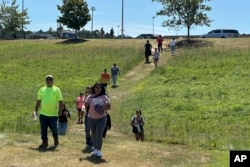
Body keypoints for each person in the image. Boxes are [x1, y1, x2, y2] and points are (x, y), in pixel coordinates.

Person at [34, 75, 63, 148]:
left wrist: (60, 111)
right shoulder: (41, 90)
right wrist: (35, 111)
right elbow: (38, 101)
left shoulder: (57, 90)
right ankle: (44, 142)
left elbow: (60, 101)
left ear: (53, 81)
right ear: (45, 81)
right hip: (43, 114)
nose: (49, 81)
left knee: (54, 129)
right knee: (43, 129)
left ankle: (56, 138)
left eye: (50, 79)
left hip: (53, 114)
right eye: (47, 79)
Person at [85, 82, 111, 158]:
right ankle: (95, 149)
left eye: (99, 88)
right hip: (91, 118)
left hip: (101, 118)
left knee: (99, 133)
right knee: (93, 134)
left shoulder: (104, 97)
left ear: (102, 89)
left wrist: (103, 107)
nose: (97, 89)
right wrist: (86, 100)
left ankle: (99, 150)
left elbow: (109, 107)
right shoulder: (90, 96)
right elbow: (85, 105)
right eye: (96, 88)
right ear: (94, 88)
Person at [84, 85, 93, 150]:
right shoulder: (86, 96)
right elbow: (85, 105)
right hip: (87, 115)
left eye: (90, 88)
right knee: (87, 130)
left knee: (92, 130)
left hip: (93, 115)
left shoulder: (94, 96)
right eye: (88, 88)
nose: (89, 90)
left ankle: (92, 143)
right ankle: (87, 142)